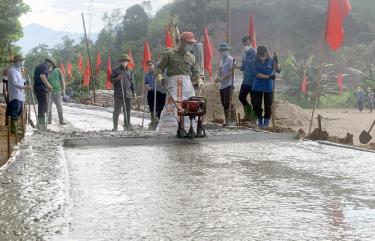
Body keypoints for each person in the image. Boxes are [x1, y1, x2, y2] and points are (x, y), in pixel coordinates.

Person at [156, 32, 203, 133]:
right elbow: (159, 67)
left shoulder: (191, 57)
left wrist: (198, 80)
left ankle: (190, 128)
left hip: (187, 87)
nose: (191, 46)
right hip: (173, 85)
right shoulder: (169, 54)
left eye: (192, 43)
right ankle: (169, 130)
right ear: (182, 42)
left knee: (190, 106)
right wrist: (159, 77)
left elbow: (196, 72)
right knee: (172, 106)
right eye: (189, 43)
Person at [252, 46, 281, 129]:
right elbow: (257, 74)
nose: (262, 57)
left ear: (266, 53)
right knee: (257, 105)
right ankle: (260, 121)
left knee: (268, 105)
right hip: (257, 87)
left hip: (268, 87)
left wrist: (277, 63)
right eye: (260, 55)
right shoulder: (255, 62)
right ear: (258, 54)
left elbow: (278, 70)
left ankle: (266, 123)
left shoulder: (271, 61)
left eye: (263, 55)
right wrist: (268, 77)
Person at [7, 54, 32, 134]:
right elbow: (15, 83)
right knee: (14, 112)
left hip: (20, 95)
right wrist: (26, 87)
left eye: (22, 60)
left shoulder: (18, 70)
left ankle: (15, 128)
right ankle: (13, 130)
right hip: (15, 94)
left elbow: (21, 81)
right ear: (17, 61)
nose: (22, 62)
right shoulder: (12, 70)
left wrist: (26, 82)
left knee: (18, 112)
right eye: (20, 60)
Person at [110, 54, 135, 131]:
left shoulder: (130, 71)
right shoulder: (115, 70)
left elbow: (132, 83)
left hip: (128, 94)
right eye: (123, 61)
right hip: (119, 94)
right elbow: (111, 80)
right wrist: (117, 78)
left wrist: (134, 92)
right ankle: (115, 127)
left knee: (127, 111)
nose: (124, 62)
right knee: (117, 111)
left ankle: (127, 126)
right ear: (121, 62)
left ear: (128, 62)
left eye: (126, 61)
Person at [215, 43, 235, 126]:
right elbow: (219, 71)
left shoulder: (231, 59)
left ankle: (232, 120)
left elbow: (231, 71)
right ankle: (227, 120)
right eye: (221, 50)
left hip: (229, 84)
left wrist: (223, 78)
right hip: (222, 85)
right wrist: (217, 77)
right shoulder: (221, 60)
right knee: (224, 103)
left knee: (228, 102)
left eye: (224, 50)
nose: (222, 52)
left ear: (227, 51)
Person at [238, 36, 257, 121]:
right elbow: (243, 67)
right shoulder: (244, 54)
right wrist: (237, 67)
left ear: (251, 43)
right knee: (241, 97)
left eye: (248, 43)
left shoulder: (255, 53)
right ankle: (247, 114)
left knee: (254, 100)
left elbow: (256, 67)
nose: (246, 45)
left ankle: (253, 118)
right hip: (245, 81)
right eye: (245, 44)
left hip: (253, 82)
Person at [34, 58, 54, 128]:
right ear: (49, 62)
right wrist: (49, 86)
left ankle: (40, 122)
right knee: (43, 105)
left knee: (43, 105)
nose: (50, 67)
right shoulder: (45, 66)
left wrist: (48, 71)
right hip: (41, 88)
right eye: (51, 65)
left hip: (38, 88)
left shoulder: (39, 66)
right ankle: (41, 123)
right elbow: (42, 76)